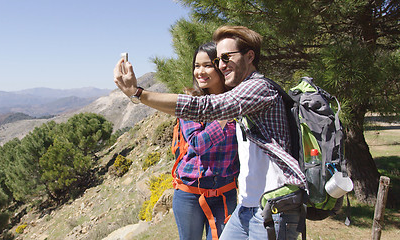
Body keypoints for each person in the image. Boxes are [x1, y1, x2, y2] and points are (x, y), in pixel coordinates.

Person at [114, 25, 307, 240]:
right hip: (247, 205)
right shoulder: (239, 96)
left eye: (225, 58)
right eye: (218, 61)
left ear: (250, 56)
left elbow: (203, 108)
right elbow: (200, 131)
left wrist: (138, 93)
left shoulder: (258, 88)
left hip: (273, 206)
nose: (222, 65)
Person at [171, 42, 239, 240]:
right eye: (196, 66)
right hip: (189, 192)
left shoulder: (239, 98)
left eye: (207, 65)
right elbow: (197, 143)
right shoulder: (190, 101)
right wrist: (227, 113)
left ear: (220, 66)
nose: (200, 72)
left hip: (225, 191)